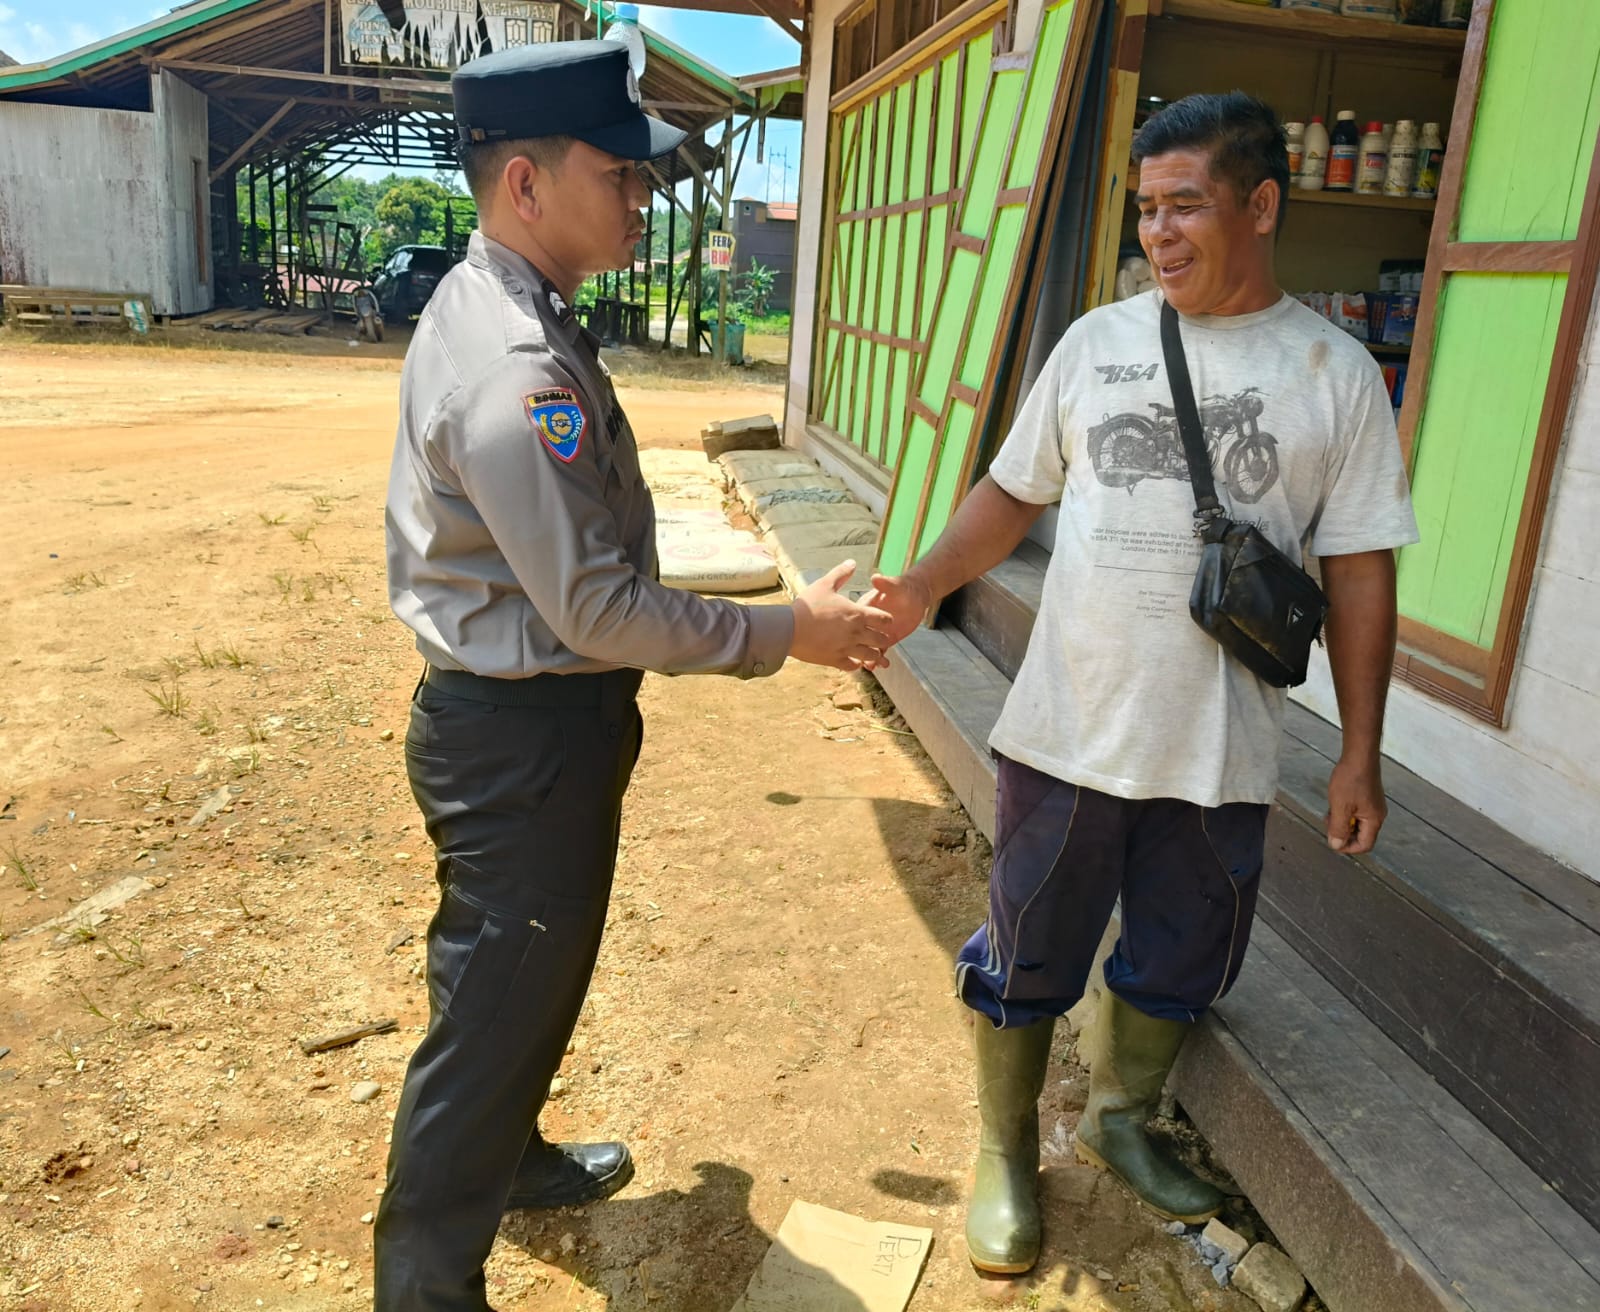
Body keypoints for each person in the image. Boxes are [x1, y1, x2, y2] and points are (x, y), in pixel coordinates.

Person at [377, 40, 892, 1310]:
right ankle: (424, 1285)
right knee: (494, 1007)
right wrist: (790, 633)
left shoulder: (510, 302)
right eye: (619, 173)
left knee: (516, 975)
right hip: (522, 734)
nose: (643, 195)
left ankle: (516, 1161)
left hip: (530, 726)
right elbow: (595, 605)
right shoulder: (515, 368)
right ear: (525, 184)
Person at [868, 92, 1419, 1274]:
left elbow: (1362, 573)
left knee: (1182, 952)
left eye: (1187, 206)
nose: (1159, 234)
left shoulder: (1334, 374)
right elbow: (1014, 493)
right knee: (1026, 949)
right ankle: (1009, 1148)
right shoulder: (1097, 343)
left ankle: (1119, 1118)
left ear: (1260, 206)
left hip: (1220, 747)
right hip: (1067, 731)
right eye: (1145, 210)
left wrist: (1362, 750)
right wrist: (919, 588)